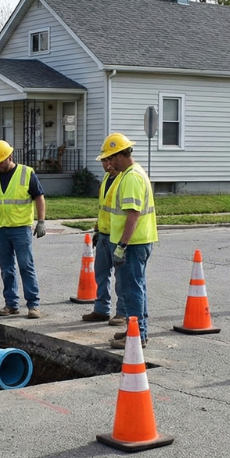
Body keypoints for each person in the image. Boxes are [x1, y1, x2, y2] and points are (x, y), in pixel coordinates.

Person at [97, 133, 157, 349]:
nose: (109, 163)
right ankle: (136, 330)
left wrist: (121, 246)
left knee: (132, 290)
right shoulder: (130, 173)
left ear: (121, 155)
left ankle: (137, 335)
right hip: (137, 242)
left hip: (132, 244)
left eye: (111, 158)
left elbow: (133, 214)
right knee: (136, 287)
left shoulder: (131, 177)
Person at [0, 139, 46, 319]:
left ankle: (33, 305)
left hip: (21, 228)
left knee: (26, 266)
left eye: (1, 161)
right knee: (6, 269)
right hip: (0, 229)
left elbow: (39, 197)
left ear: (10, 156)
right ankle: (11, 304)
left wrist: (41, 221)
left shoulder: (26, 173)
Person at [82, 156, 125, 326]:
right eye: (103, 161)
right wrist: (97, 229)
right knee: (101, 273)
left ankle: (122, 313)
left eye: (108, 160)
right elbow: (102, 208)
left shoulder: (124, 179)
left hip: (117, 236)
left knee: (121, 276)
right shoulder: (107, 178)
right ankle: (101, 309)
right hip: (104, 233)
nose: (106, 165)